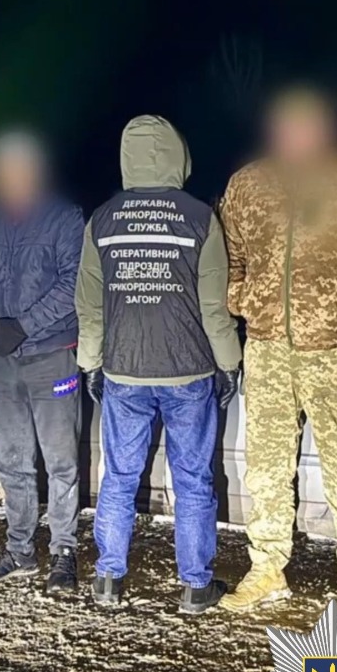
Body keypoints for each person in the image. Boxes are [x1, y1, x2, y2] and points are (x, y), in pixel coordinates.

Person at [217, 87, 337, 633]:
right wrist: (243, 297)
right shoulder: (248, 184)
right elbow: (227, 254)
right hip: (267, 350)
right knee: (266, 468)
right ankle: (266, 568)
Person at [75, 115, 242, 613]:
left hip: (124, 370)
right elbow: (213, 307)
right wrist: (229, 363)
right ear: (178, 157)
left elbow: (90, 306)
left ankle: (108, 578)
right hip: (188, 369)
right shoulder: (199, 218)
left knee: (119, 476)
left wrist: (90, 362)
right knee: (192, 479)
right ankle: (195, 586)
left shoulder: (103, 219)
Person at [0, 130, 85, 591]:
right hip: (1, 357)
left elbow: (73, 284)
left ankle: (64, 551)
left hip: (52, 355)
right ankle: (20, 550)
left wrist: (24, 326)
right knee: (11, 459)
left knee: (61, 460)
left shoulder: (64, 217)